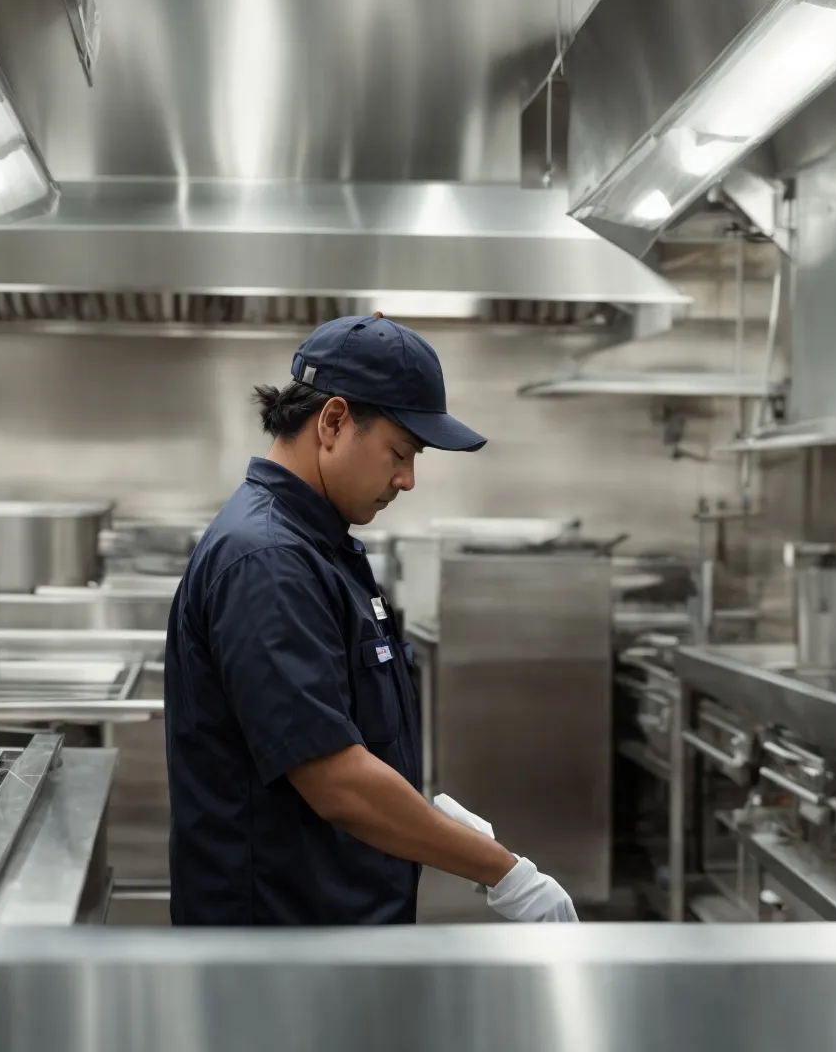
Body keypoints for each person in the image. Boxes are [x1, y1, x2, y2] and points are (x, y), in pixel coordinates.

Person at [164, 315, 579, 926]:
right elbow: (335, 778)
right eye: (401, 453)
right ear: (332, 421)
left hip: (332, 930)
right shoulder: (270, 560)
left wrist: (429, 821)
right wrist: (502, 870)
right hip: (279, 951)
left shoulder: (322, 546)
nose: (407, 480)